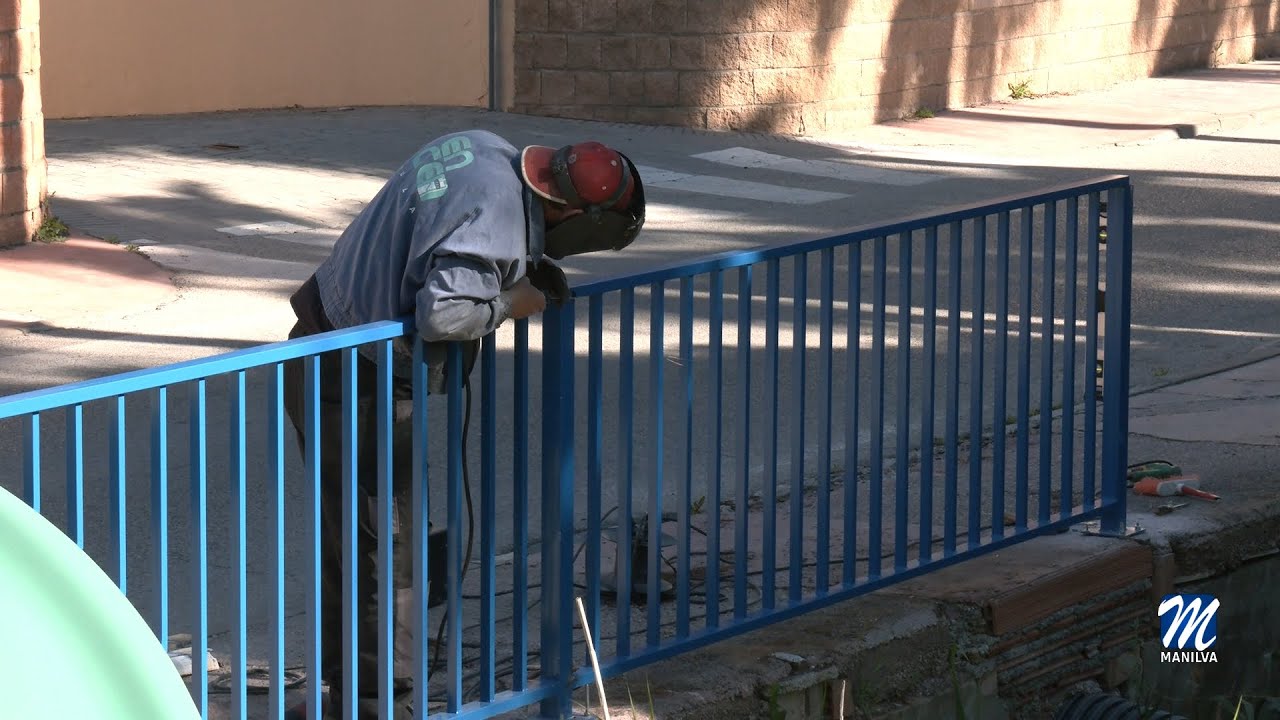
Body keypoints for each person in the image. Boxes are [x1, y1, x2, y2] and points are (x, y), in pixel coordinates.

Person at [281, 131, 646, 719]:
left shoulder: (483, 147)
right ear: (573, 213)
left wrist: (517, 270)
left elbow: (444, 238)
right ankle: (379, 707)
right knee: (389, 554)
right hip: (357, 382)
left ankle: (344, 698)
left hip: (323, 342)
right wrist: (507, 303)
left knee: (354, 543)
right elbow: (444, 312)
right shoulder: (497, 217)